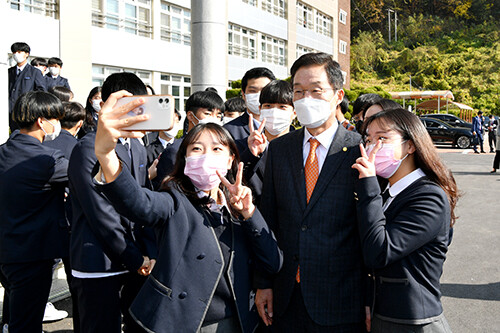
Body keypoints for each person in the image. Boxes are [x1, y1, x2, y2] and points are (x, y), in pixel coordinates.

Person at [93, 94, 283, 332]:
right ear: (184, 159)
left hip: (236, 321)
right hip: (181, 322)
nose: (206, 157)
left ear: (230, 159)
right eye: (196, 149)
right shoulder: (174, 201)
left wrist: (249, 213)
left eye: (216, 149)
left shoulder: (238, 204)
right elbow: (138, 202)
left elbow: (273, 262)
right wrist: (106, 154)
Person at [255, 52, 366, 332]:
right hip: (286, 296)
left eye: (316, 91)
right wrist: (264, 283)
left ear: (337, 95)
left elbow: (368, 228)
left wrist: (370, 297)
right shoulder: (279, 150)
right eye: (299, 92)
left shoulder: (358, 149)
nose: (305, 99)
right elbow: (268, 220)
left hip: (341, 300)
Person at [352, 108, 458, 332]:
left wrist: (368, 186)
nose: (373, 147)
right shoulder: (388, 191)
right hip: (385, 313)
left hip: (413, 321)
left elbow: (378, 252)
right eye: (369, 139)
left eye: (383, 138)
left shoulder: (429, 196)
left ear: (410, 145)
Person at [69, 73, 157, 333]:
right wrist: (135, 258)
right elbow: (100, 214)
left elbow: (144, 201)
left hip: (135, 261)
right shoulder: (88, 148)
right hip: (101, 262)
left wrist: (149, 253)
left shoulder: (137, 147)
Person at [0, 91, 68, 333]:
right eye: (56, 118)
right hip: (33, 254)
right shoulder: (48, 158)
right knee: (26, 324)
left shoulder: (2, 151)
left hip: (7, 252)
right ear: (42, 121)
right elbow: (86, 178)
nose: (58, 124)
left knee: (15, 318)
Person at [154, 90, 224, 189]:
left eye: (218, 116)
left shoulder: (221, 149)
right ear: (191, 116)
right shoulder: (175, 151)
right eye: (208, 113)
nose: (214, 119)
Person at [242, 80, 296, 206]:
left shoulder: (305, 147)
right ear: (260, 109)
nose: (274, 112)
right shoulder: (244, 146)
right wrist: (251, 154)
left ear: (294, 112)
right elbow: (235, 179)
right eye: (268, 106)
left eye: (282, 107)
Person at [224, 67, 275, 152]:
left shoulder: (287, 128)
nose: (259, 95)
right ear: (243, 94)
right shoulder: (228, 131)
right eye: (253, 91)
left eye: (264, 90)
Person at [8, 42, 46, 127]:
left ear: (27, 54)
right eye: (14, 52)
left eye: (19, 52)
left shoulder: (35, 72)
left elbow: (41, 91)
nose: (16, 54)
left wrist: (32, 106)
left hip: (26, 111)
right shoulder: (9, 72)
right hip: (10, 110)